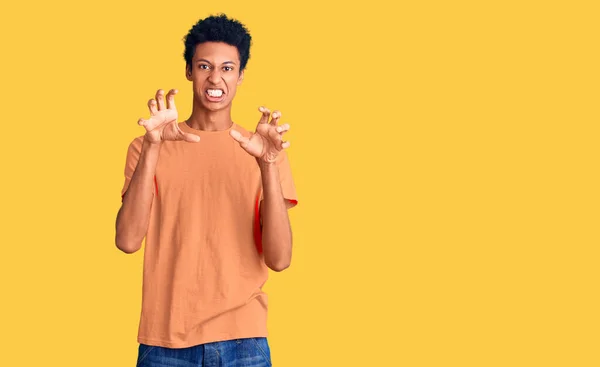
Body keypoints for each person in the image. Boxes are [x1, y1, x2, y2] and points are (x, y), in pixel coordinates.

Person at [115, 13, 298, 367]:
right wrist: (154, 147)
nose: (215, 78)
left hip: (244, 342)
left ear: (241, 75)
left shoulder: (263, 150)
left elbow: (280, 260)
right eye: (204, 66)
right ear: (189, 71)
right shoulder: (146, 146)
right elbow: (127, 241)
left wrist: (268, 164)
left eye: (227, 68)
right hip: (165, 343)